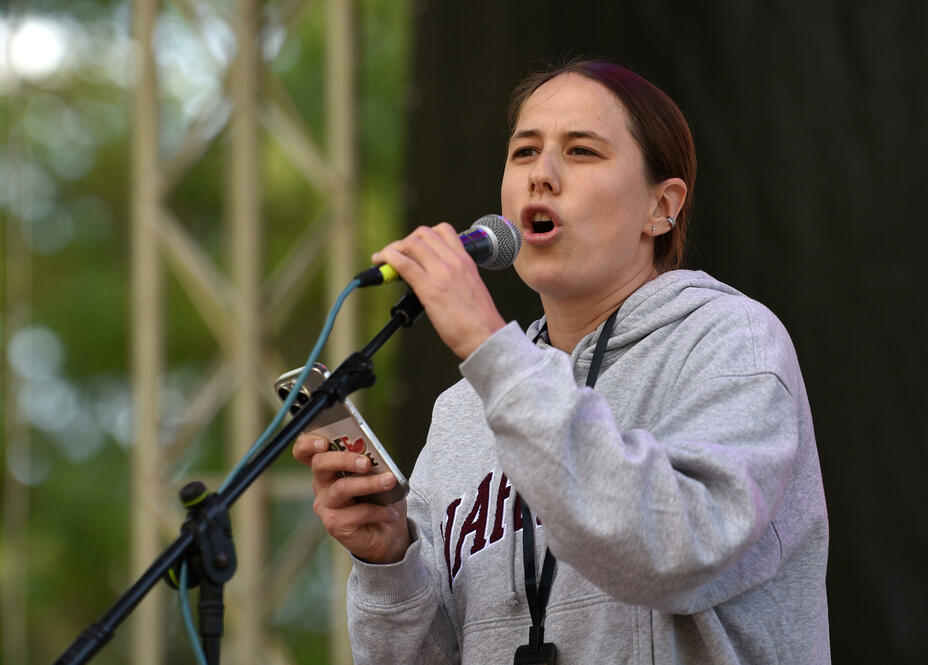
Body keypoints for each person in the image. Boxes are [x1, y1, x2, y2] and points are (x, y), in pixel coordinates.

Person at [292, 58, 830, 664]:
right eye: (524, 152)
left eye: (581, 152)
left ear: (663, 206)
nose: (541, 176)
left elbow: (674, 552)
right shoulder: (464, 412)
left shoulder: (730, 343)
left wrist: (488, 345)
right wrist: (389, 561)